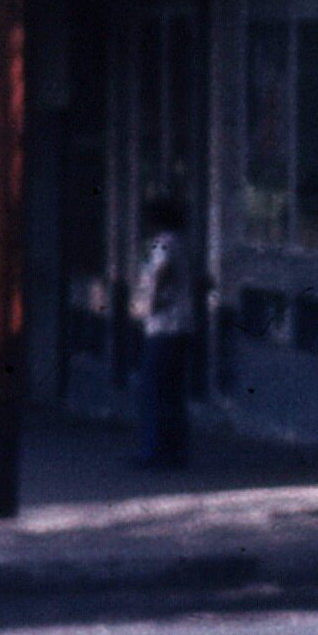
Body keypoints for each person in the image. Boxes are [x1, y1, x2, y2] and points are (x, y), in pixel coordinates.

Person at [129, 195, 196, 470]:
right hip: (181, 325)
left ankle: (156, 449)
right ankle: (175, 449)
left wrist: (146, 305)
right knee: (173, 391)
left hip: (164, 325)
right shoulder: (182, 243)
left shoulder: (165, 243)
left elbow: (160, 275)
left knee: (155, 389)